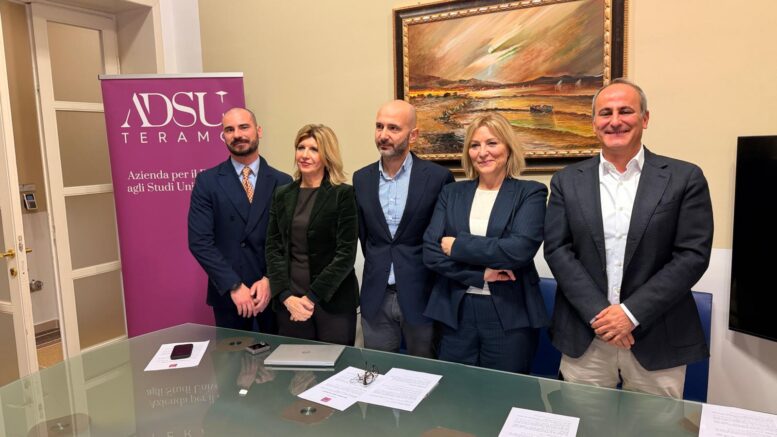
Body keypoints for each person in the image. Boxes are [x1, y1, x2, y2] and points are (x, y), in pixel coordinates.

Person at [544, 78, 713, 398]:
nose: (615, 121)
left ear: (645, 119)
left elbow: (692, 255)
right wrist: (602, 316)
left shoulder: (684, 177)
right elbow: (557, 250)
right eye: (605, 113)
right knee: (584, 421)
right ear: (594, 122)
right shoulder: (566, 181)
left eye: (625, 111)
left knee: (655, 423)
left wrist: (629, 314)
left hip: (657, 335)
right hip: (586, 336)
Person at [423, 113, 548, 372]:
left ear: (508, 147)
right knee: (455, 388)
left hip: (510, 313)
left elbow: (518, 251)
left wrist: (457, 246)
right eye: (474, 145)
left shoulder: (530, 192)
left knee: (506, 389)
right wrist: (481, 275)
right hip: (455, 311)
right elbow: (431, 252)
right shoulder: (451, 192)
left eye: (492, 143)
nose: (482, 153)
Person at [354, 100, 454, 358]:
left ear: (414, 135)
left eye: (393, 128)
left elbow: (442, 238)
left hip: (422, 296)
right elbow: (367, 237)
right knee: (376, 370)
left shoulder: (437, 178)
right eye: (379, 126)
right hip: (376, 296)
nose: (383, 135)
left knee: (424, 373)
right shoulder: (361, 179)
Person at [188, 107, 292, 332]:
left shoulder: (283, 182)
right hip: (229, 296)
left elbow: (289, 239)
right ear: (223, 135)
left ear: (258, 131)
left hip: (273, 295)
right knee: (232, 356)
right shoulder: (207, 182)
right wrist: (234, 285)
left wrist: (270, 279)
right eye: (229, 130)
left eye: (244, 127)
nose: (237, 135)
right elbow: (199, 242)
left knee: (278, 354)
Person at [265, 124, 359, 345]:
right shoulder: (282, 194)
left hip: (332, 302)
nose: (304, 155)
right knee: (296, 365)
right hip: (290, 302)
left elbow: (345, 255)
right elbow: (273, 248)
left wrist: (310, 298)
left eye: (314, 149)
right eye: (301, 147)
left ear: (327, 155)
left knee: (336, 364)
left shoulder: (343, 194)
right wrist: (286, 297)